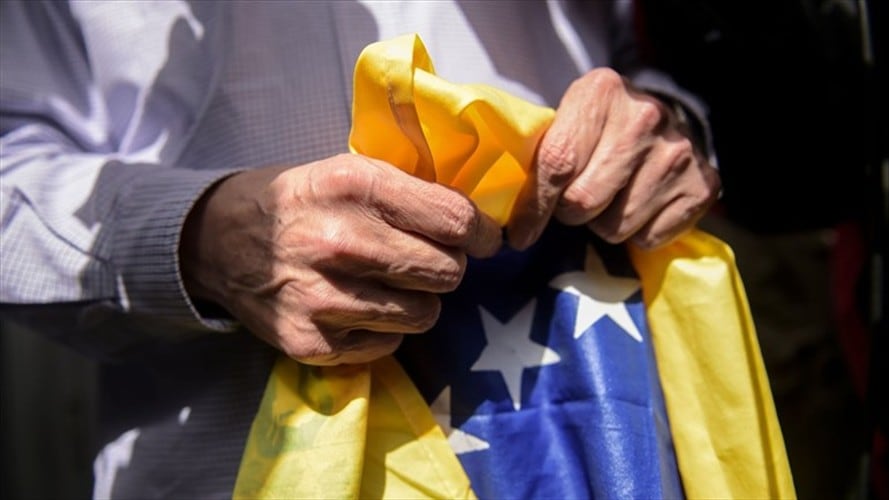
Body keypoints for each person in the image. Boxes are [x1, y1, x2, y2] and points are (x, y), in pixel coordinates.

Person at [1, 1, 720, 497]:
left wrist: (665, 124)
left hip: (587, 419)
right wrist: (193, 237)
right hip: (230, 452)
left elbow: (655, 48)